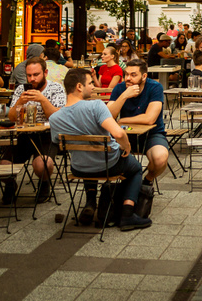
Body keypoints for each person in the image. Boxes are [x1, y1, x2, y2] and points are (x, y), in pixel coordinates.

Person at [50, 67, 151, 231]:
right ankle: (127, 213)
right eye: (90, 83)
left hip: (79, 168)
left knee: (87, 157)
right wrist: (127, 146)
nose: (93, 87)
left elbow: (56, 142)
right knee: (136, 168)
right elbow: (118, 132)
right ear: (79, 87)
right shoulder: (96, 106)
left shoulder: (55, 118)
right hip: (109, 165)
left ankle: (91, 202)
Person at [107, 59, 169, 215]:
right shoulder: (120, 88)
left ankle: (146, 181)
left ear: (144, 76)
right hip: (125, 136)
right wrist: (123, 96)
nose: (128, 78)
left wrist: (122, 120)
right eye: (126, 74)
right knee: (104, 155)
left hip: (151, 134)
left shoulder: (155, 87)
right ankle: (125, 189)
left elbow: (150, 118)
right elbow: (108, 116)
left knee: (160, 159)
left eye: (133, 75)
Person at [0, 57, 64, 203]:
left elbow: (57, 117)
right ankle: (10, 185)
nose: (32, 79)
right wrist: (19, 102)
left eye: (36, 75)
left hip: (46, 134)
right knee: (2, 168)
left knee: (43, 165)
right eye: (29, 75)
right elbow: (11, 117)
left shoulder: (56, 88)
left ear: (45, 73)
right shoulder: (21, 89)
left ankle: (44, 183)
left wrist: (42, 100)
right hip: (23, 134)